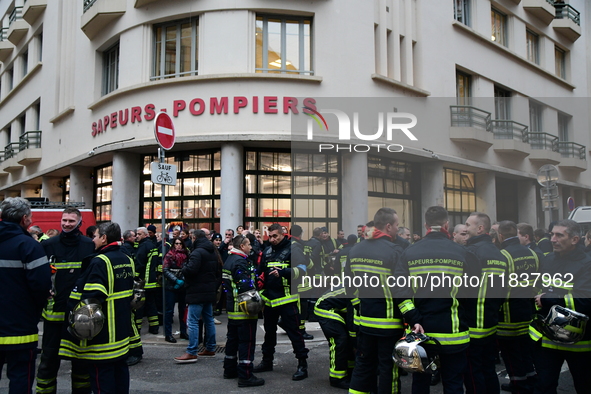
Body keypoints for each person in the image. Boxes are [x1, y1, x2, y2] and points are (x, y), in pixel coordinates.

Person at [395, 206, 472, 393]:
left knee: (420, 382)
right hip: (454, 332)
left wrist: (413, 318)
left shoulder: (410, 252)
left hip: (421, 332)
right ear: (447, 224)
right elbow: (473, 292)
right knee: (453, 382)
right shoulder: (463, 253)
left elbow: (399, 290)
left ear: (425, 225)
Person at [59, 222, 135, 394]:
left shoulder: (100, 261)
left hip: (103, 339)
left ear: (104, 238)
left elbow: (90, 303)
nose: (93, 240)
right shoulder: (127, 259)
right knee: (120, 375)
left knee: (102, 382)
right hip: (122, 336)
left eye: (95, 236)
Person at [36, 207, 96, 394]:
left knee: (80, 360)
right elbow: (41, 276)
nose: (66, 224)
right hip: (54, 314)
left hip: (79, 314)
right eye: (64, 220)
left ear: (79, 222)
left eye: (71, 221)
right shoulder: (49, 245)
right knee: (49, 359)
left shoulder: (88, 245)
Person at [529, 220, 591, 393]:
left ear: (575, 239)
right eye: (551, 235)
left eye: (559, 235)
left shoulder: (587, 264)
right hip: (547, 338)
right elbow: (539, 289)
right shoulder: (548, 259)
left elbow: (585, 300)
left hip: (578, 341)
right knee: (544, 386)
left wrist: (549, 299)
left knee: (584, 386)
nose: (553, 239)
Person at [346, 207, 404, 394]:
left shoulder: (355, 250)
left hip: (365, 322)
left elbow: (349, 287)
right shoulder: (395, 251)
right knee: (389, 368)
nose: (397, 229)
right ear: (388, 226)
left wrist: (360, 308)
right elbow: (400, 289)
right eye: (396, 225)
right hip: (389, 325)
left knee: (363, 365)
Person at [0, 197, 52, 394]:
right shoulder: (29, 245)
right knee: (21, 379)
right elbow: (41, 285)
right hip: (20, 328)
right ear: (24, 219)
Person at [253, 223, 309, 381]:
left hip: (287, 299)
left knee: (294, 333)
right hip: (270, 300)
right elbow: (261, 270)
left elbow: (303, 270)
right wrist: (257, 278)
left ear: (283, 234)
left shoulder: (294, 248)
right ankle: (267, 361)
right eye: (269, 236)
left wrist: (284, 272)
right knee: (269, 333)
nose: (272, 239)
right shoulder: (268, 250)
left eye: (275, 236)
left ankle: (302, 365)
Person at [463, 212, 508, 394]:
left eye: (468, 225)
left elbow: (462, 289)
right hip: (490, 323)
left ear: (480, 228)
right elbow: (504, 291)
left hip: (472, 323)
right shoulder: (500, 255)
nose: (465, 229)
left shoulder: (471, 253)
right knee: (488, 369)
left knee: (472, 372)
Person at [496, 221, 539, 393]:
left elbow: (500, 288)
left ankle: (518, 384)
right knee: (526, 351)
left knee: (511, 353)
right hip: (528, 312)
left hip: (508, 315)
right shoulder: (532, 253)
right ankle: (531, 379)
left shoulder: (503, 255)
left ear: (500, 235)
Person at [222, 235, 265, 387]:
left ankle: (229, 369)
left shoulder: (230, 259)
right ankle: (245, 375)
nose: (251, 247)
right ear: (242, 246)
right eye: (248, 245)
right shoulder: (240, 261)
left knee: (232, 340)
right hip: (244, 311)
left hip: (232, 310)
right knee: (246, 342)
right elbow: (245, 287)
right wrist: (259, 282)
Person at [174, 230, 221, 363]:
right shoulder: (212, 251)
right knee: (209, 319)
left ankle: (192, 351)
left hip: (196, 291)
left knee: (192, 321)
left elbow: (191, 270)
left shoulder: (197, 252)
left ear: (194, 238)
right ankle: (210, 347)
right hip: (209, 290)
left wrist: (183, 268)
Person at [314, 287, 356, 390]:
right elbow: (352, 317)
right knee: (340, 340)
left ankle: (350, 370)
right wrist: (354, 336)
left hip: (336, 309)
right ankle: (337, 378)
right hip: (325, 308)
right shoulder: (356, 291)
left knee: (348, 341)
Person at [162, 237, 189, 343]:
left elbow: (187, 269)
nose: (178, 245)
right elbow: (165, 269)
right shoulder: (169, 255)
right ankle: (168, 334)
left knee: (183, 310)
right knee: (169, 311)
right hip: (171, 286)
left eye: (180, 243)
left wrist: (182, 280)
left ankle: (183, 331)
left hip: (182, 286)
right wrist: (176, 280)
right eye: (176, 243)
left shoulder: (186, 255)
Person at [134, 227, 160, 334]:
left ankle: (137, 328)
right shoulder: (152, 245)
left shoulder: (143, 246)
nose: (137, 236)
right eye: (136, 234)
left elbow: (139, 264)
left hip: (143, 281)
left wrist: (135, 277)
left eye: (139, 234)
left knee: (139, 306)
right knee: (151, 305)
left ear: (145, 235)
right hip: (152, 281)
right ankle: (154, 328)